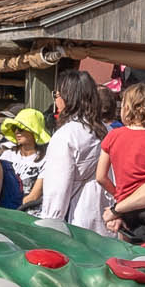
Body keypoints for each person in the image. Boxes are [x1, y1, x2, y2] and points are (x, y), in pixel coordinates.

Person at [37, 71, 111, 233]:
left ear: (67, 97)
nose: (56, 100)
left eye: (57, 95)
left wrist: (49, 226)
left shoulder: (66, 135)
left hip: (78, 222)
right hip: (107, 216)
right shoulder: (108, 130)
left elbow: (57, 189)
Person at [101, 82, 145, 243]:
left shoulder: (113, 135)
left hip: (123, 205)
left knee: (127, 251)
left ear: (126, 108)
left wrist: (119, 195)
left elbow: (101, 176)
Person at [1, 108, 51, 207]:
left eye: (21, 128)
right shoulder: (7, 155)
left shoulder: (47, 159)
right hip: (6, 213)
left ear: (34, 131)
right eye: (14, 128)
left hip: (31, 215)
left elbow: (34, 196)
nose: (16, 132)